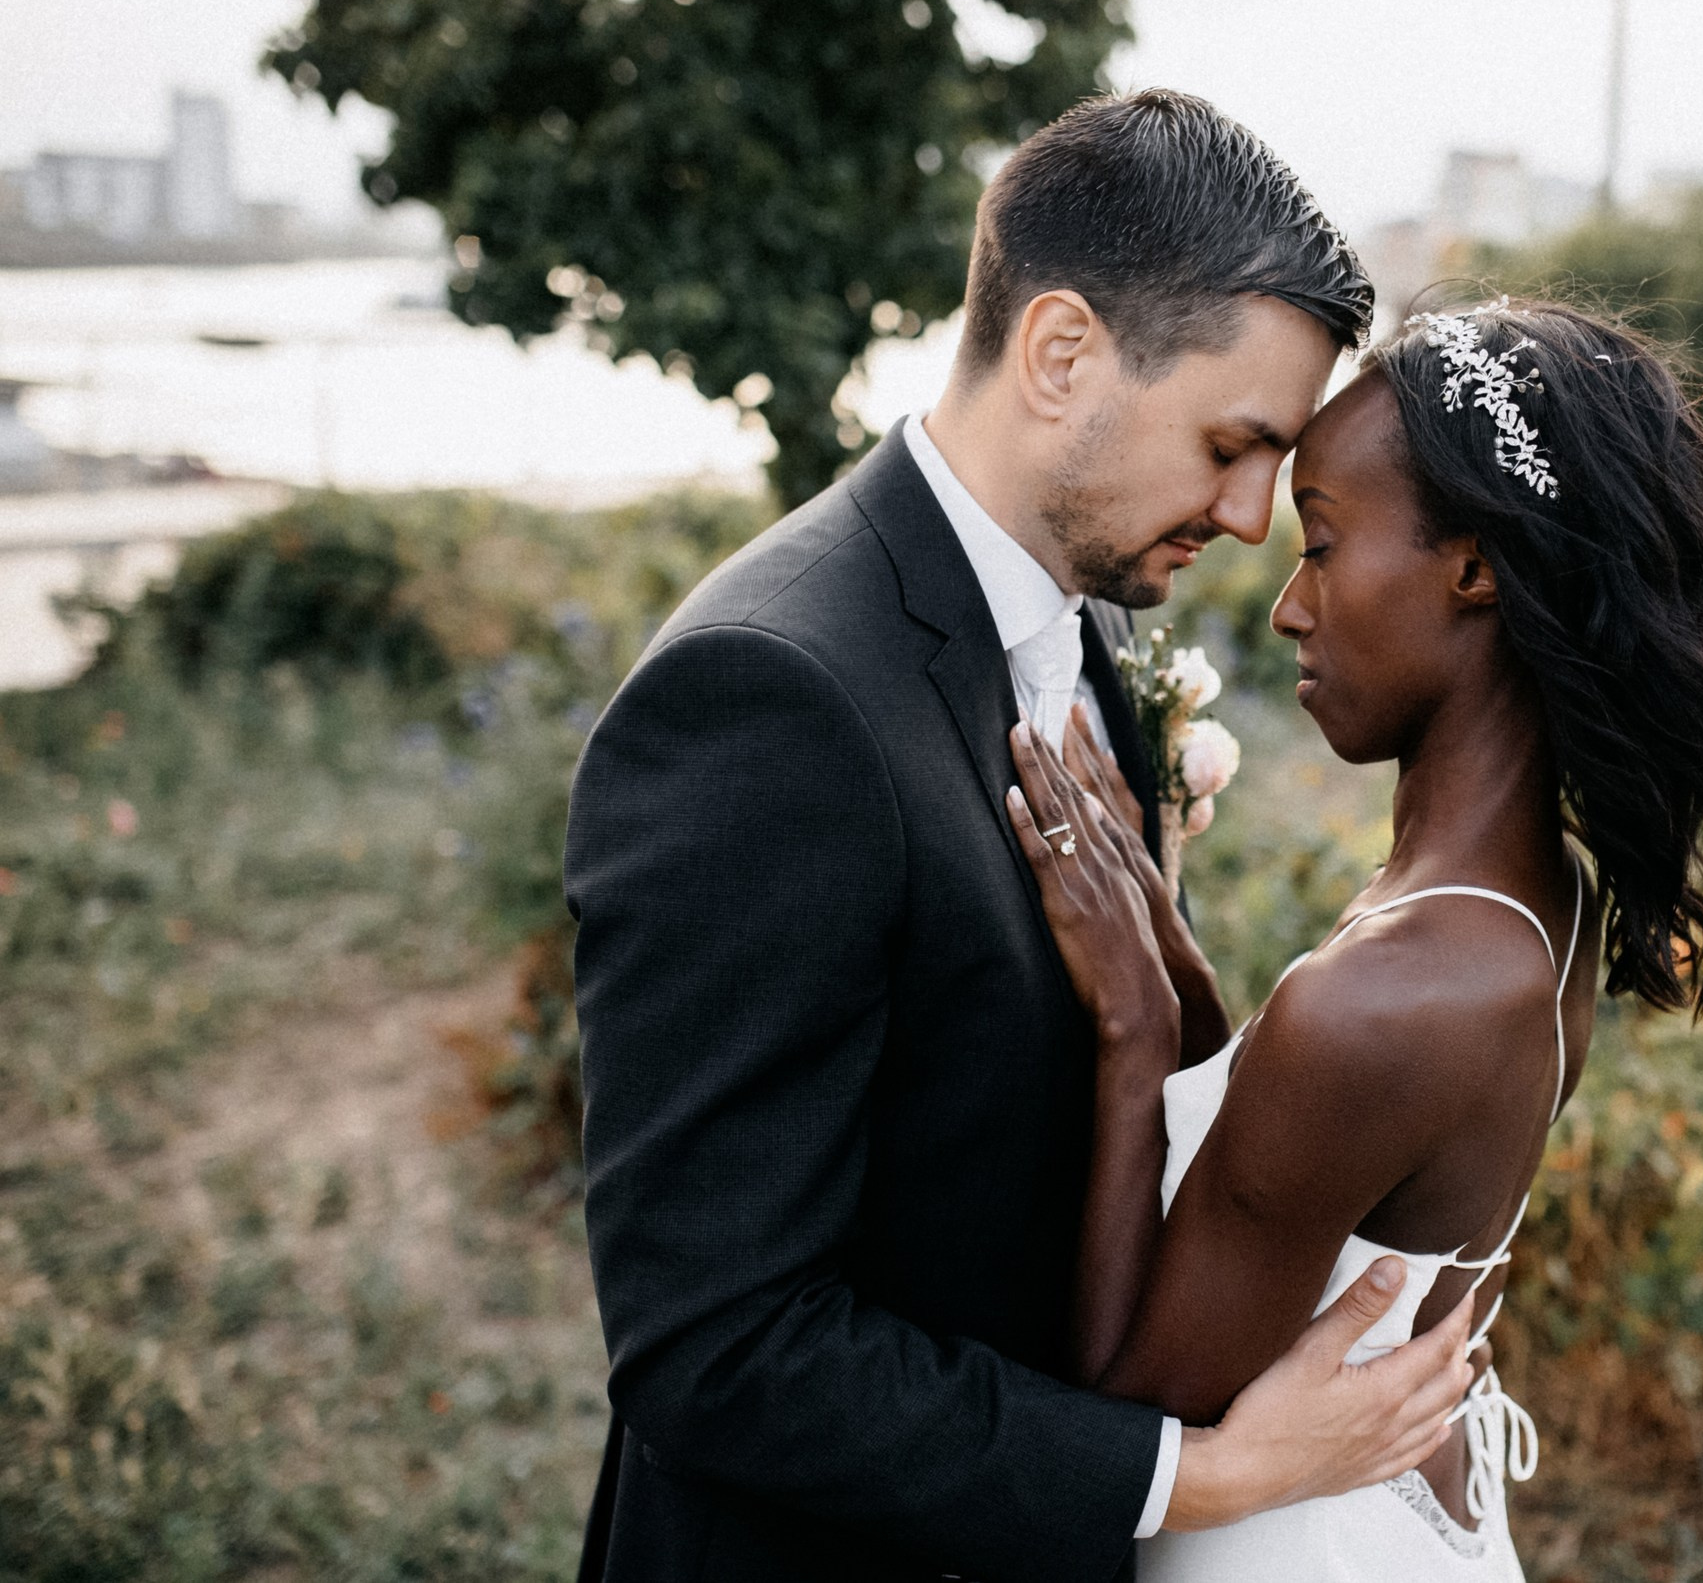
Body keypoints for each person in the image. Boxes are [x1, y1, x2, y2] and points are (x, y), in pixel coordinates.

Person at [562, 89, 1479, 1583]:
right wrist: (1203, 1475)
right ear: (1061, 354)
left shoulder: (1079, 621)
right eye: (1232, 443)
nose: (1254, 517)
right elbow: (716, 1347)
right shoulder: (766, 702)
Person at [1003, 298, 1703, 1578]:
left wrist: (1136, 1028)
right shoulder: (1533, 900)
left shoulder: (1395, 996)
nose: (1288, 608)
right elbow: (1305, 1170)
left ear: (1475, 569)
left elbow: (1128, 1410)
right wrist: (1178, 967)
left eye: (1321, 544)